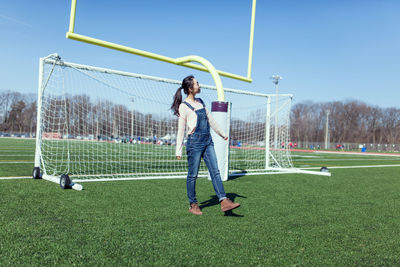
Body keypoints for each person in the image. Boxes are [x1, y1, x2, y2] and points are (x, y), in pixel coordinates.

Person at [171, 75, 240, 215]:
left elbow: (211, 120)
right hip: (194, 143)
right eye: (197, 84)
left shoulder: (201, 101)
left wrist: (222, 133)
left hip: (208, 141)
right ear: (190, 89)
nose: (199, 85)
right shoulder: (183, 107)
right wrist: (178, 150)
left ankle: (224, 201)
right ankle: (193, 204)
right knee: (192, 175)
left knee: (215, 171)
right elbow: (181, 130)